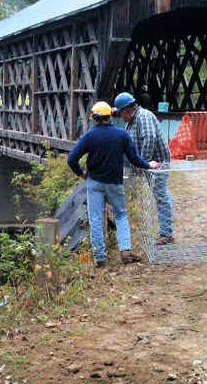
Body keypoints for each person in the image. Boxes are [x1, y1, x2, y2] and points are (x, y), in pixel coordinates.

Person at [67, 101, 159, 267]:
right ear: (110, 116)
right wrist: (148, 164)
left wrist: (81, 174)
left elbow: (71, 159)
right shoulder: (122, 135)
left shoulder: (90, 135)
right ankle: (125, 251)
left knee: (95, 219)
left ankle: (100, 259)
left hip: (94, 183)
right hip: (115, 183)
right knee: (121, 215)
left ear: (94, 118)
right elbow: (134, 158)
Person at [113, 92, 174, 245]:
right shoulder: (132, 121)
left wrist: (143, 162)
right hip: (146, 165)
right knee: (153, 197)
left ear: (127, 110)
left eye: (121, 114)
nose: (121, 117)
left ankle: (166, 234)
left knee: (161, 197)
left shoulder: (143, 116)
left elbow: (149, 138)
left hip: (157, 164)